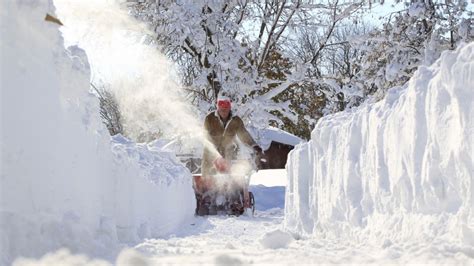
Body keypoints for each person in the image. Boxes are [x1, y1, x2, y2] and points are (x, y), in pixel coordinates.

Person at [200, 96, 263, 212]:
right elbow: (205, 136)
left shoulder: (236, 121)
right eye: (221, 109)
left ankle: (233, 202)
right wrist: (214, 151)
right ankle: (206, 201)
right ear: (218, 108)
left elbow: (244, 135)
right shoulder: (209, 119)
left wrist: (254, 145)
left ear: (229, 108)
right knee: (208, 179)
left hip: (227, 154)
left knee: (229, 179)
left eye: (226, 109)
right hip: (210, 155)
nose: (223, 112)